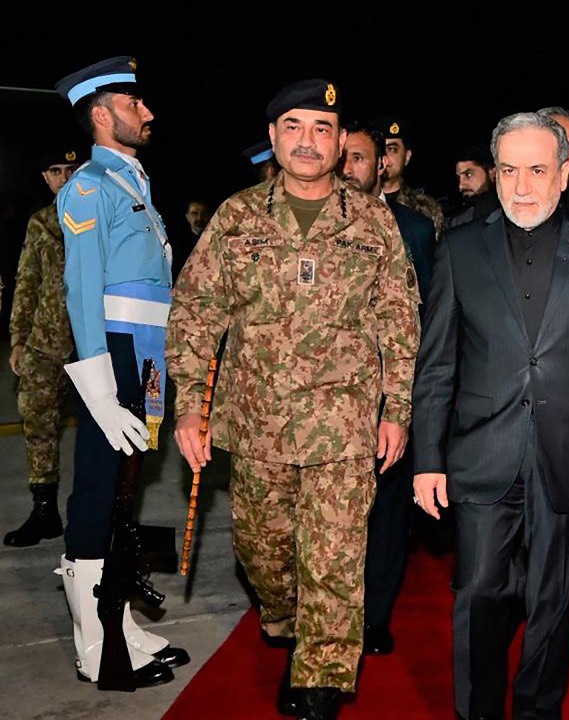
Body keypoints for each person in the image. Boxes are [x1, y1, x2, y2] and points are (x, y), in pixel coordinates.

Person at [167, 79, 421, 720]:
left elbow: (399, 321)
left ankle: (321, 678)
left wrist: (396, 411)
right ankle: (287, 625)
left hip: (343, 425)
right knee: (264, 554)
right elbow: (196, 315)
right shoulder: (236, 219)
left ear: (340, 144)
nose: (309, 141)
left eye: (323, 128)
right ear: (274, 137)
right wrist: (189, 405)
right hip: (257, 426)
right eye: (295, 126)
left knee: (335, 556)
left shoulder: (373, 223)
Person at [412, 111, 569, 720]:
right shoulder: (461, 247)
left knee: (556, 602)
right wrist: (427, 458)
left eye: (537, 170)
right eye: (509, 170)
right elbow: (435, 362)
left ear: (564, 173)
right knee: (478, 593)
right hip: (481, 452)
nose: (521, 186)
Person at [53, 55, 187, 688]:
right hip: (114, 355)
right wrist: (99, 384)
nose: (148, 112)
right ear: (102, 115)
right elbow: (82, 291)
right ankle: (93, 645)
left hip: (146, 356)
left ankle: (119, 622)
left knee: (125, 493)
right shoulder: (89, 187)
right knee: (98, 489)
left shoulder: (134, 182)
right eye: (136, 105)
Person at [339, 118, 434, 655]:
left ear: (383, 165)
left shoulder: (415, 231)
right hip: (326, 406)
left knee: (386, 517)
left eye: (360, 158)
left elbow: (428, 322)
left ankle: (374, 617)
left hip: (388, 402)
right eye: (344, 155)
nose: (349, 167)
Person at [5, 148, 81, 548]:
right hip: (45, 343)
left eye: (72, 169)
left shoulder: (100, 218)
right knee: (36, 421)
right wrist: (18, 338)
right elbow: (26, 281)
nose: (65, 177)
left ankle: (100, 512)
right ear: (46, 177)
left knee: (104, 431)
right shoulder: (40, 224)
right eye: (56, 171)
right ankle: (44, 510)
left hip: (91, 345)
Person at [378, 115, 445, 235]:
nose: (385, 157)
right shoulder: (357, 203)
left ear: (407, 157)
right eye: (380, 149)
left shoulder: (426, 208)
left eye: (392, 149)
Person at [444, 146, 499, 230]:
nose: (461, 186)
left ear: (492, 173)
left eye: (468, 174)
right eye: (458, 178)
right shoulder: (455, 221)